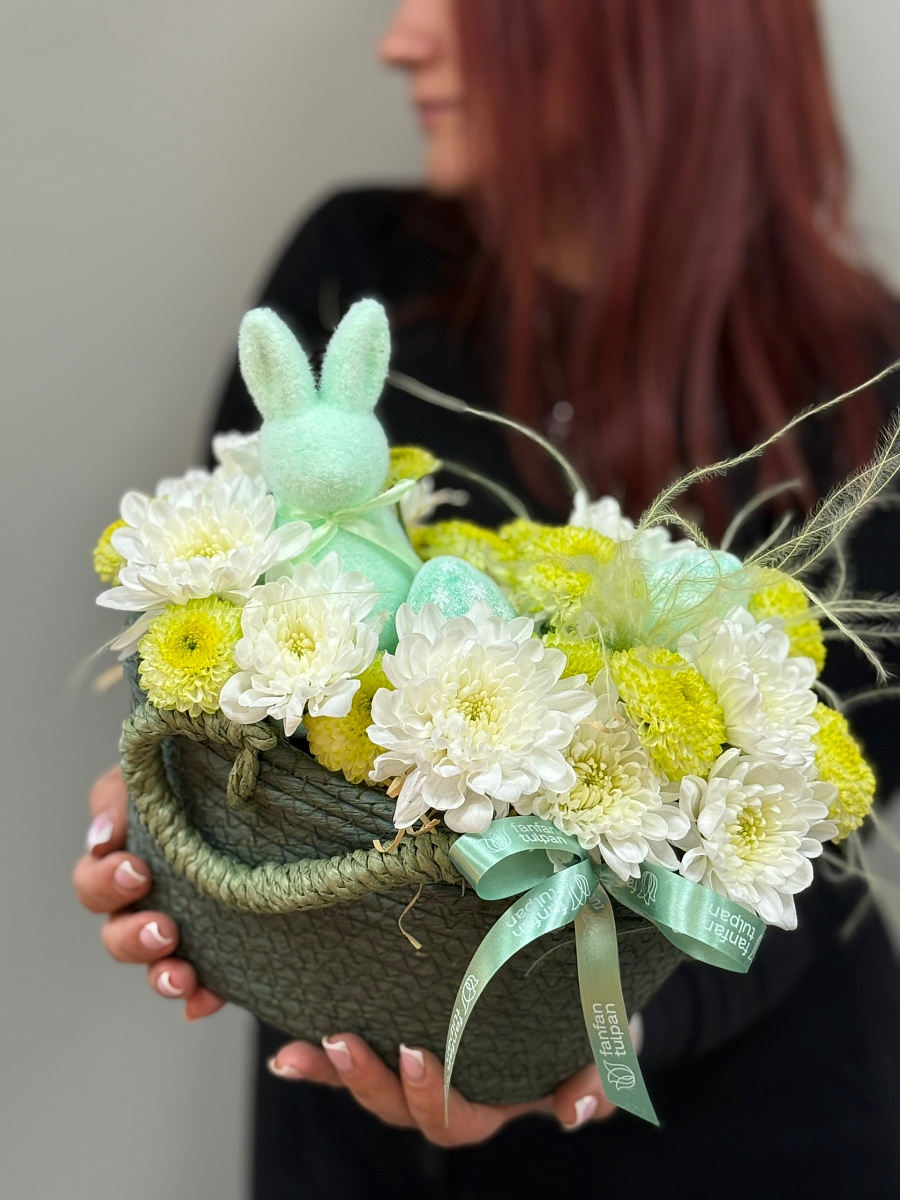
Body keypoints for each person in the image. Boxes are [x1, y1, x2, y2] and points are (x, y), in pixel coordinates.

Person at [74, 1, 900, 1196]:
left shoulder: (864, 386)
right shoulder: (359, 275)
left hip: (734, 1132)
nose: (401, 39)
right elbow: (221, 624)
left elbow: (822, 839)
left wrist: (579, 1047)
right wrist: (179, 817)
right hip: (362, 1123)